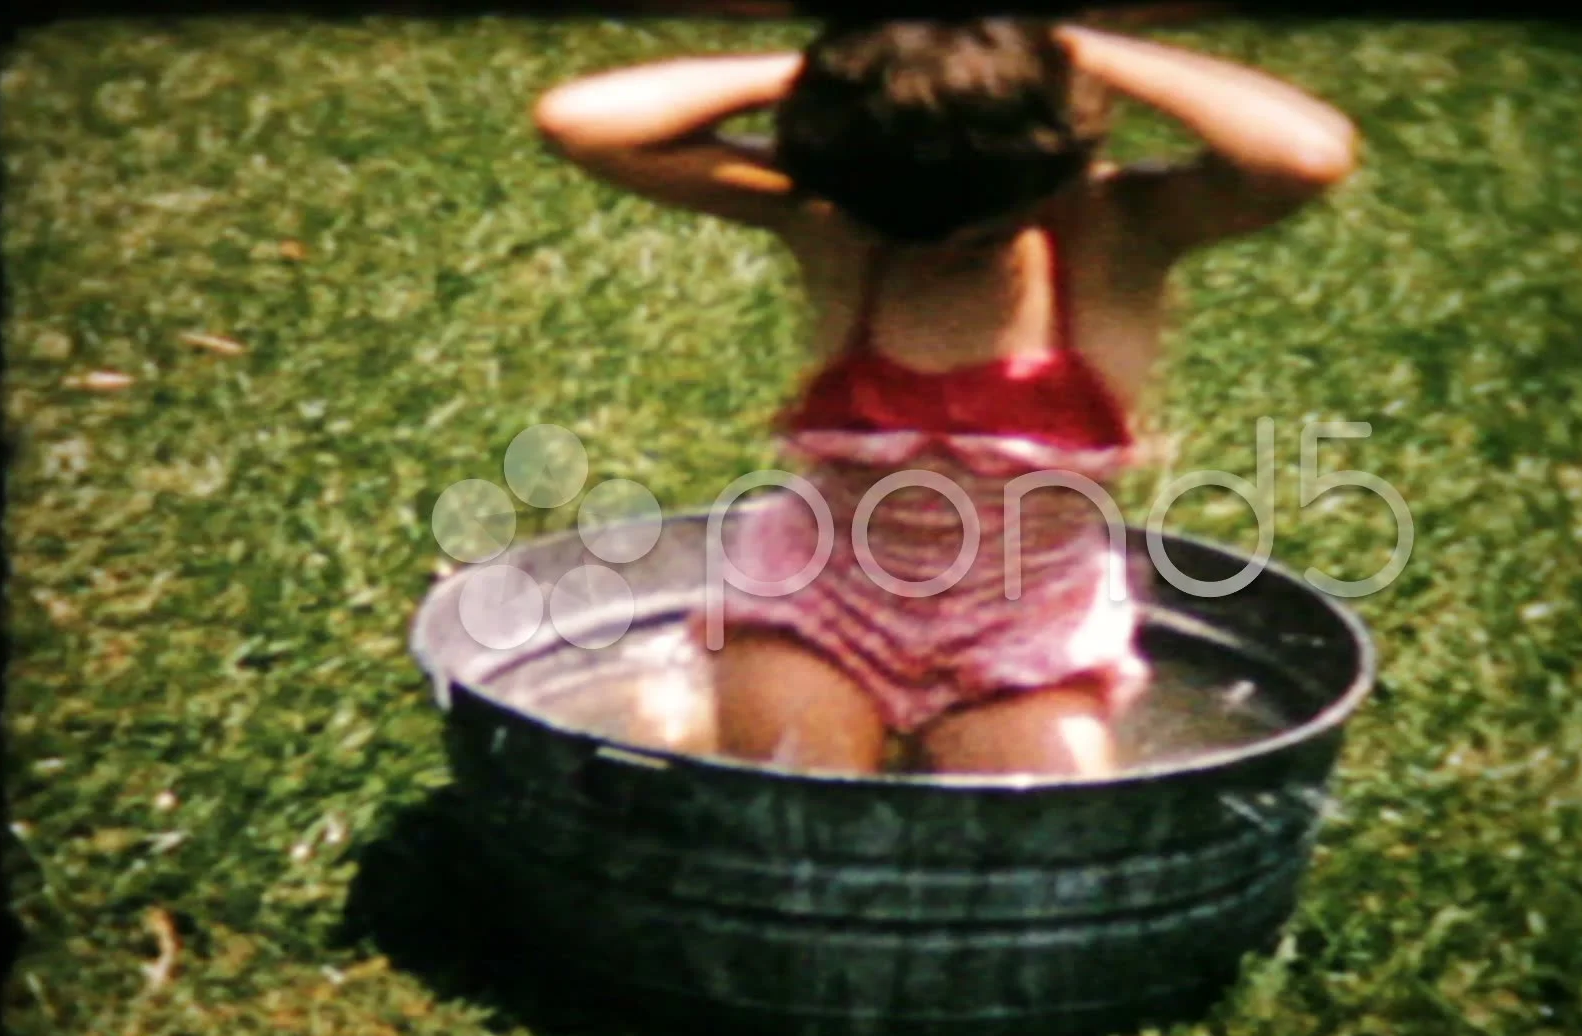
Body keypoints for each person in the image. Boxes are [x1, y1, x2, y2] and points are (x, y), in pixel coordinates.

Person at [533, 17, 1358, 776]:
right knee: (797, 805)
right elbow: (581, 123)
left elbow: (1304, 155)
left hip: (1028, 625)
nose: (940, 249)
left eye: (983, 228)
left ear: (1054, 171)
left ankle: (715, 718)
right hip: (822, 604)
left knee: (1038, 828)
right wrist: (863, 73)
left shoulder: (1119, 230)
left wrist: (1062, 46)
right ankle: (690, 715)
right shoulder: (838, 214)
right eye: (903, 229)